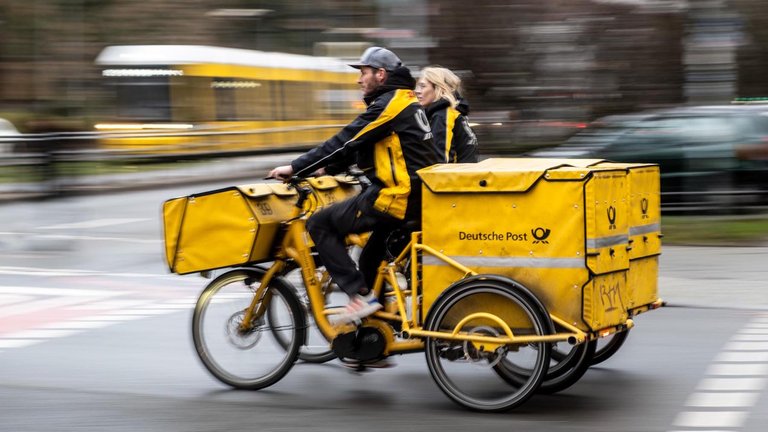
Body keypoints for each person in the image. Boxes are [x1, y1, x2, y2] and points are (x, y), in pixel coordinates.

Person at [268, 47, 443, 325]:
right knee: (369, 259)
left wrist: (296, 167)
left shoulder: (391, 104)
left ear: (380, 74)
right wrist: (329, 168)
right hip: (419, 196)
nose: (359, 80)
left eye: (363, 73)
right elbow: (365, 144)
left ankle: (361, 297)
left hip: (397, 197)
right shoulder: (403, 100)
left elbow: (346, 140)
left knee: (320, 224)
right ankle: (378, 335)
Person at [415, 66, 478, 163]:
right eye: (417, 86)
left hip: (455, 176)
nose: (417, 91)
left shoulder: (442, 116)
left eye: (422, 86)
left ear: (438, 88)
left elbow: (441, 161)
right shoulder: (454, 112)